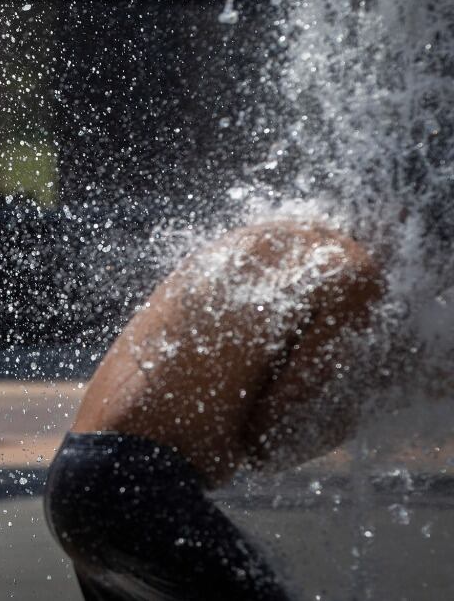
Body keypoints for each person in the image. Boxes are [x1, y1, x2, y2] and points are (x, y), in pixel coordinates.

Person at [44, 221, 384, 601]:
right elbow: (267, 443)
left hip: (74, 478)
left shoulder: (273, 235)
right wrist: (378, 398)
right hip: (137, 486)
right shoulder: (355, 270)